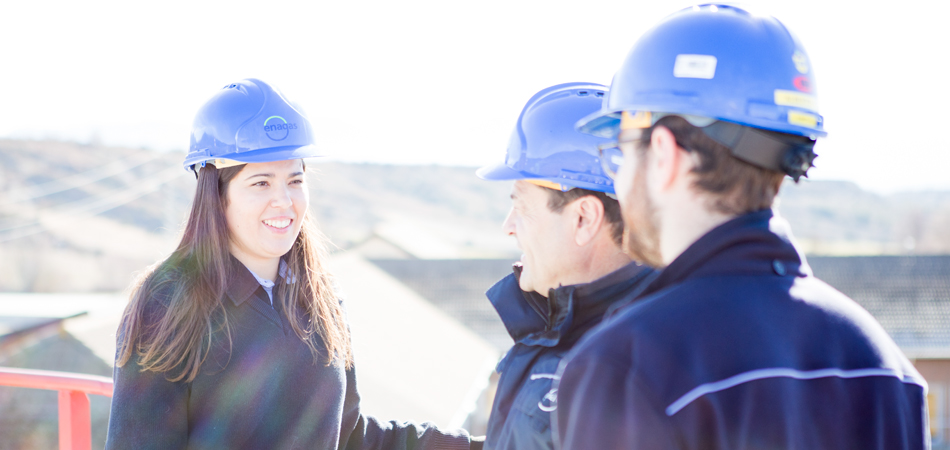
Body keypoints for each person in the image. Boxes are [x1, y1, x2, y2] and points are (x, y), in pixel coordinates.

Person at [553, 5, 929, 449]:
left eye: (618, 151)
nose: (616, 177)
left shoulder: (626, 366)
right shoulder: (886, 369)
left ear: (663, 153)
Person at [106, 79, 482, 450]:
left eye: (295, 180)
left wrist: (476, 446)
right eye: (260, 183)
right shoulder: (169, 302)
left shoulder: (321, 296)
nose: (284, 201)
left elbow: (347, 435)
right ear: (216, 195)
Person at [475, 82, 653, 450]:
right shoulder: (566, 335)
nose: (508, 226)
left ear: (584, 219)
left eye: (521, 206)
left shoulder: (636, 369)